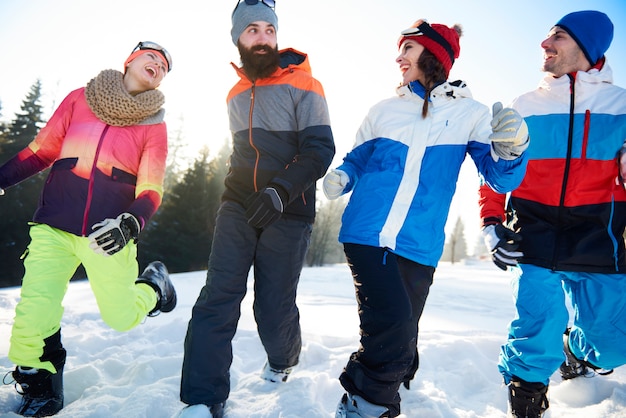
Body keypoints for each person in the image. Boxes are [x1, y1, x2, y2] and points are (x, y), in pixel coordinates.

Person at [323, 18, 529, 418]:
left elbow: (498, 175)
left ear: (433, 54)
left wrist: (512, 148)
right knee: (393, 330)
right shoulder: (384, 109)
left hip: (420, 242)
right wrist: (344, 175)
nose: (398, 57)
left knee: (405, 327)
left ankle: (395, 377)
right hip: (367, 233)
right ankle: (365, 405)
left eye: (408, 48)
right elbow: (359, 156)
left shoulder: (471, 114)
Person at [0, 41, 177, 417]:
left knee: (121, 316)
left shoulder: (154, 126)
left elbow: (152, 188)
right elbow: (40, 151)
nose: (158, 64)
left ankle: (153, 286)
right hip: (54, 225)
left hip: (108, 234)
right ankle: (40, 385)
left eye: (164, 65)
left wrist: (130, 223)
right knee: (34, 310)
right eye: (152, 56)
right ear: (130, 60)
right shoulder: (80, 99)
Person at [177, 1, 335, 417]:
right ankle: (202, 400)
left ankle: (283, 358)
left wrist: (280, 191)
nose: (262, 37)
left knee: (272, 303)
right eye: (253, 31)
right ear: (238, 38)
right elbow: (239, 153)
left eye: (268, 29)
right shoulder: (234, 92)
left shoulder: (306, 84)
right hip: (238, 205)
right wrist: (236, 194)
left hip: (290, 207)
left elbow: (320, 150)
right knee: (218, 296)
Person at [478, 10, 626, 418]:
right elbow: (495, 171)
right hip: (534, 231)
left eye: (558, 36)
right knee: (537, 326)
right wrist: (491, 223)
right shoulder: (523, 105)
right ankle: (525, 395)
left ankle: (574, 350)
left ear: (587, 47)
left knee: (614, 342)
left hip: (600, 237)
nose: (545, 44)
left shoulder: (623, 107)